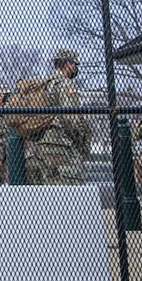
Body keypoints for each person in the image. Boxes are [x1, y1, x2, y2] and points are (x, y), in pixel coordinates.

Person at [27, 48, 91, 185]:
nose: (75, 68)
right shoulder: (65, 84)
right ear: (68, 64)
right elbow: (72, 119)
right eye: (74, 64)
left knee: (50, 193)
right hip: (62, 144)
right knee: (73, 191)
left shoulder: (44, 85)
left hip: (41, 144)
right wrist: (81, 140)